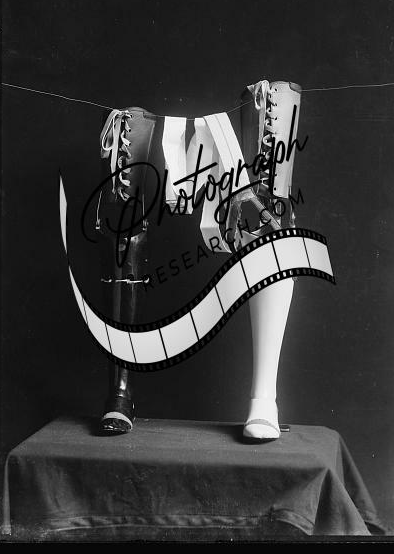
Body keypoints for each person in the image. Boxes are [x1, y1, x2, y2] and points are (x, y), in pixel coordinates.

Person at [98, 80, 302, 442]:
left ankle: (264, 399)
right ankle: (120, 391)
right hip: (162, 94)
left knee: (270, 217)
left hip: (227, 127)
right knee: (124, 228)